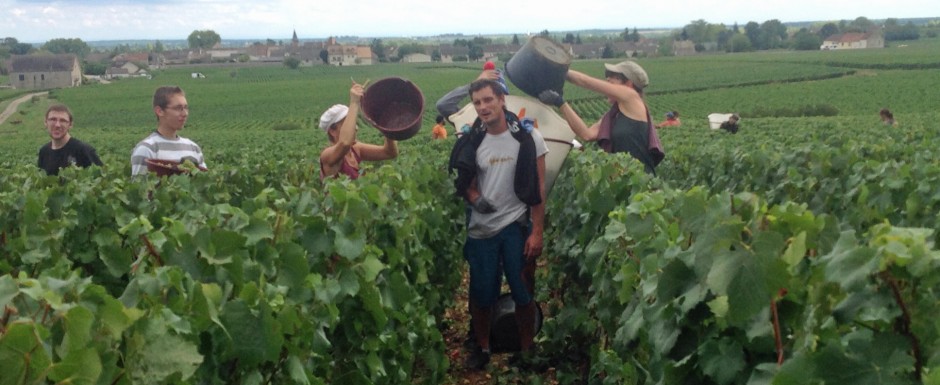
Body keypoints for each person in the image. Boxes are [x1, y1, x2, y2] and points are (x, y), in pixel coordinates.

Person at [448, 79, 548, 370]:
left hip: (517, 226)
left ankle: (527, 349)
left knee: (523, 291)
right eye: (477, 102)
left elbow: (539, 188)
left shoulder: (529, 139)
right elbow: (465, 181)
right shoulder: (472, 141)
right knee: (481, 295)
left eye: (488, 100)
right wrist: (474, 196)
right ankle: (482, 348)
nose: (483, 107)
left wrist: (537, 231)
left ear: (502, 100)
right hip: (482, 230)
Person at [537, 60, 664, 175]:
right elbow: (586, 134)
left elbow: (584, 81)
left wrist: (555, 69)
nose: (607, 80)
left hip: (641, 182)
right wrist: (561, 103)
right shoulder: (612, 116)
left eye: (614, 78)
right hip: (622, 180)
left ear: (629, 85)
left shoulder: (632, 97)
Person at [319, 81, 398, 180]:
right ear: (332, 131)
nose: (356, 128)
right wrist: (354, 102)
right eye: (349, 125)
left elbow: (390, 152)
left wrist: (387, 125)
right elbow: (344, 143)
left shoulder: (356, 149)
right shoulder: (327, 156)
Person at [130, 86, 207, 176]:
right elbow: (140, 187)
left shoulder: (194, 148)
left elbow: (203, 183)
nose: (185, 113)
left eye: (186, 107)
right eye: (178, 108)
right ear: (159, 111)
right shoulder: (147, 149)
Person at [37, 104, 103, 176]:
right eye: (53, 119)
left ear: (70, 125)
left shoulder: (83, 150)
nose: (57, 125)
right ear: (46, 122)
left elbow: (101, 178)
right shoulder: (44, 152)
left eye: (63, 121)